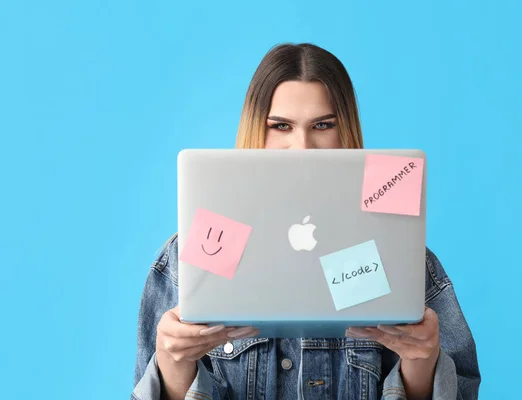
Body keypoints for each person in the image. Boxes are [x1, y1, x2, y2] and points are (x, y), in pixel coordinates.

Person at [132, 43, 481, 400]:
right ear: (256, 129)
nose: (303, 147)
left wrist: (421, 367)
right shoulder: (189, 257)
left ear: (345, 130)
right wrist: (174, 367)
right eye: (281, 126)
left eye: (323, 124)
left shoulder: (402, 258)